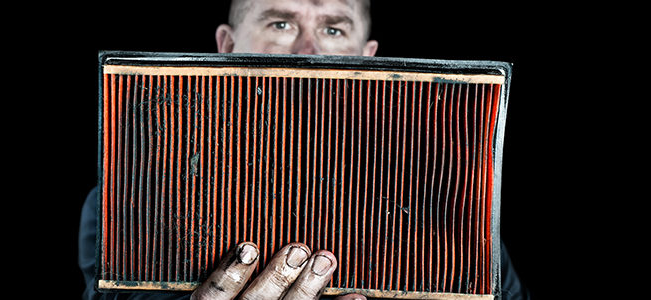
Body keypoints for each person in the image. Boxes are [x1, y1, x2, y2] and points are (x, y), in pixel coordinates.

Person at [79, 0, 529, 299]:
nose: (309, 50)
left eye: (334, 29)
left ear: (368, 55)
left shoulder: (443, 198)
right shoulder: (136, 196)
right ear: (226, 45)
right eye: (281, 23)